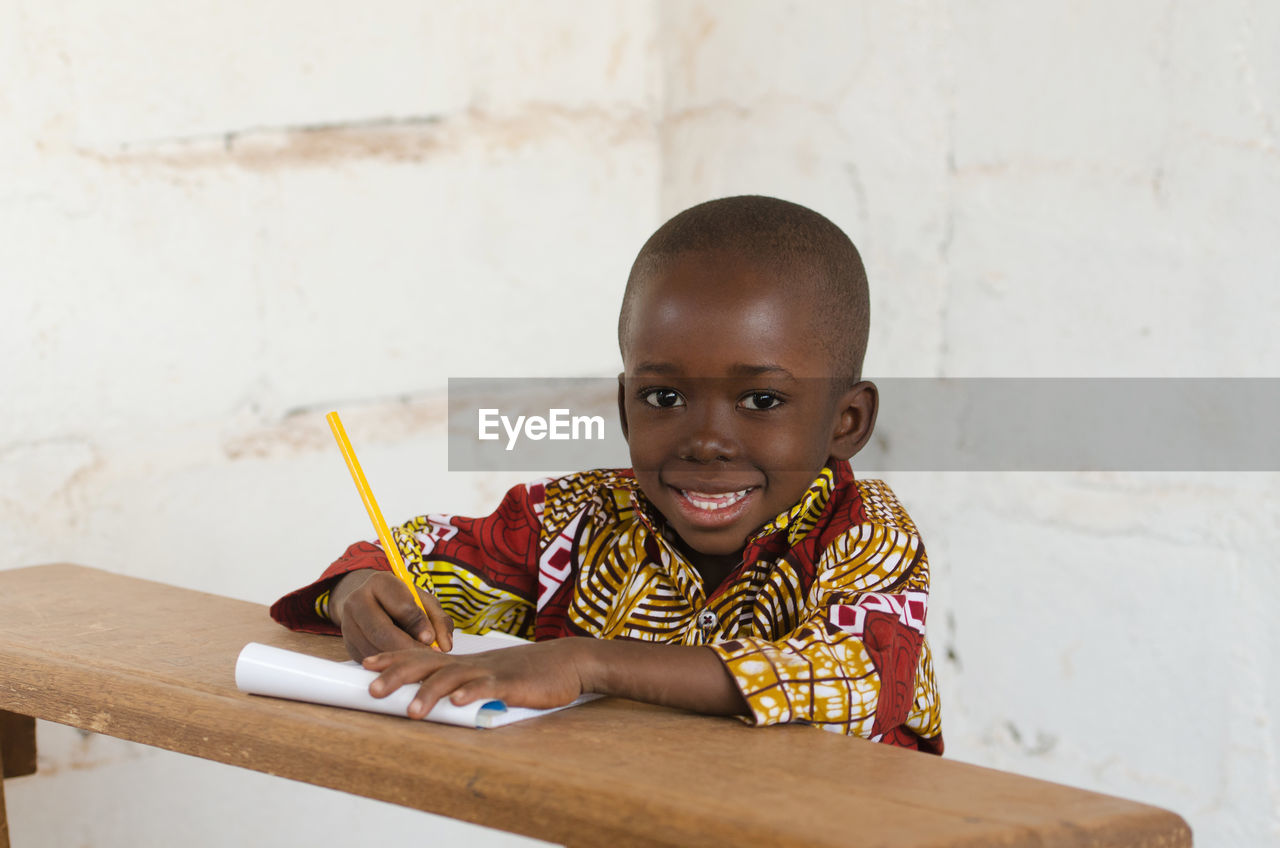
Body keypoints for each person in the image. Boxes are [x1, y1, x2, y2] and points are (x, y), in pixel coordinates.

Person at [270, 195, 943, 753]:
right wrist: (360, 590)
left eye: (761, 401)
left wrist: (584, 660)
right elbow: (413, 557)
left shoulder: (867, 539)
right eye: (664, 398)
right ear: (626, 406)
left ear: (846, 421)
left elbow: (857, 682)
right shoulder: (577, 521)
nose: (706, 442)